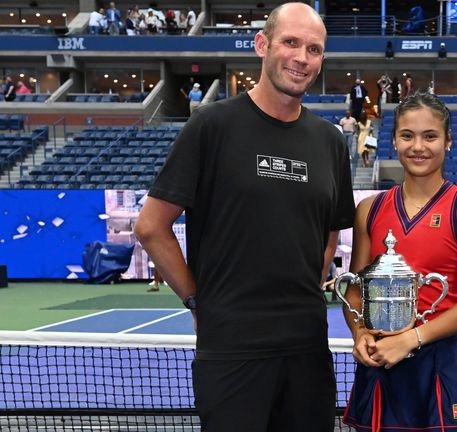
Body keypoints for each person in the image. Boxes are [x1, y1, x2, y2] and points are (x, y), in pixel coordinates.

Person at [133, 3, 355, 431]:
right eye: (290, 42)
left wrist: (303, 291)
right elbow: (150, 226)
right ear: (262, 45)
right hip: (231, 347)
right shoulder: (211, 126)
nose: (301, 58)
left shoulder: (330, 141)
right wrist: (197, 302)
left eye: (314, 49)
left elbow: (330, 235)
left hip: (307, 346)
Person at [341, 91, 457, 431]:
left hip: (442, 364)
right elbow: (354, 293)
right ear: (394, 140)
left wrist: (410, 339)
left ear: (448, 142)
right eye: (407, 135)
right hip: (380, 364)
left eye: (430, 136)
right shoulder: (370, 209)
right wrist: (360, 332)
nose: (418, 146)